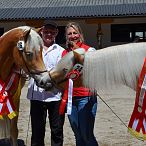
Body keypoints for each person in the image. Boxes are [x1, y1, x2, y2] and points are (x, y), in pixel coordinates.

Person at [27, 21, 65, 146]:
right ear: (41, 32)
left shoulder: (60, 51)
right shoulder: (32, 49)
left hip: (55, 96)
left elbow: (62, 73)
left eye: (52, 32)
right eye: (46, 31)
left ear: (56, 33)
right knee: (37, 132)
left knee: (57, 130)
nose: (49, 34)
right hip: (37, 97)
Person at [61, 22, 99, 146]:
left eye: (75, 33)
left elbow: (95, 70)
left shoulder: (90, 50)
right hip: (70, 99)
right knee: (77, 134)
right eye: (69, 34)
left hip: (86, 97)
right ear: (66, 37)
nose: (73, 36)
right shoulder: (64, 53)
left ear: (80, 34)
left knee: (86, 135)